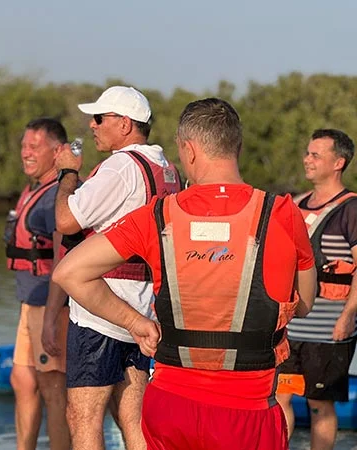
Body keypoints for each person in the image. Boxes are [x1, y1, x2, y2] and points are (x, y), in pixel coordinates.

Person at [53, 97, 317, 450]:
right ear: (236, 146)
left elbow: (69, 272)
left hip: (171, 408)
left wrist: (136, 323)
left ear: (189, 151)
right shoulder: (283, 214)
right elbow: (304, 304)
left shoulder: (158, 216)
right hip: (248, 411)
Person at [41, 86, 181, 450]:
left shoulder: (122, 166)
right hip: (145, 305)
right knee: (132, 418)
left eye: (100, 118)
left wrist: (68, 174)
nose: (92, 125)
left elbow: (66, 220)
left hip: (102, 308)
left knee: (82, 416)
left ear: (124, 124)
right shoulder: (166, 168)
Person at [276, 129, 357, 449]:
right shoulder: (294, 205)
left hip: (329, 328)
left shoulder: (351, 209)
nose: (307, 160)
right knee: (279, 397)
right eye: (307, 153)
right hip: (290, 326)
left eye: (315, 155)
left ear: (338, 162)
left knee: (319, 403)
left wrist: (348, 315)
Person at [4, 118, 71, 450]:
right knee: (21, 379)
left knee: (53, 388)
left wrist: (50, 316)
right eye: (23, 145)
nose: (25, 153)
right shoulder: (34, 189)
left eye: (34, 147)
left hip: (51, 306)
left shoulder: (57, 196)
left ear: (57, 152)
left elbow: (63, 258)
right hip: (29, 301)